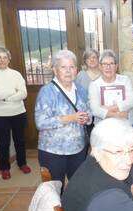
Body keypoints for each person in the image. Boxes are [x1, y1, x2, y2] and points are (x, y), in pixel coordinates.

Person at [35, 50, 91, 187]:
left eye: (71, 67)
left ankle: (73, 208)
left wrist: (87, 118)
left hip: (78, 149)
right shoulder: (47, 92)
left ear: (76, 70)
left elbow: (89, 113)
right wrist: (71, 118)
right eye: (63, 67)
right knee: (54, 190)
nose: (68, 71)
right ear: (55, 69)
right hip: (53, 152)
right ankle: (57, 209)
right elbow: (41, 123)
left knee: (77, 187)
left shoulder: (81, 89)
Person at [88, 49, 133, 167]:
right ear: (100, 67)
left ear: (116, 66)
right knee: (109, 159)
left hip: (128, 124)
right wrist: (119, 113)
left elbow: (131, 101)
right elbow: (95, 110)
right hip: (105, 128)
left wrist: (109, 108)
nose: (108, 67)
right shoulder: (94, 85)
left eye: (111, 64)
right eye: (105, 64)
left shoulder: (125, 80)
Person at [0, 47, 31, 180]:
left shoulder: (16, 74)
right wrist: (13, 90)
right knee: (3, 143)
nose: (2, 60)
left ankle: (22, 163)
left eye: (5, 57)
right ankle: (4, 168)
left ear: (9, 59)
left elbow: (23, 93)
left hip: (18, 113)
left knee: (20, 141)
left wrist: (5, 96)